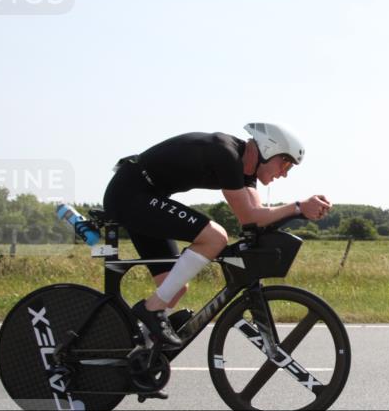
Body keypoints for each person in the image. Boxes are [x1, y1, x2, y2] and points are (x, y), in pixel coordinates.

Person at [102, 123, 331, 349]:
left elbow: (258, 221)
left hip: (145, 198)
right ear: (269, 149)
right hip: (130, 195)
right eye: (286, 164)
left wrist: (300, 213)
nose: (284, 174)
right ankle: (151, 309)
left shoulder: (246, 173)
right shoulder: (225, 154)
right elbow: (248, 217)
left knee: (173, 288)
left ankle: (135, 351)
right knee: (214, 237)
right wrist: (299, 207)